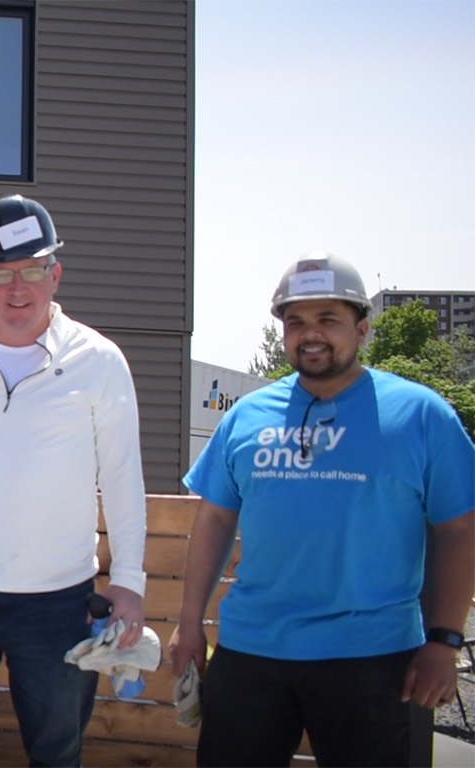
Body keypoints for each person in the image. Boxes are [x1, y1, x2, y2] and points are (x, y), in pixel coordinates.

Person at [169, 252, 475, 767]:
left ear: (361, 328)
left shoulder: (421, 415)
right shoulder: (247, 416)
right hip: (252, 651)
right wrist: (189, 621)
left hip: (372, 658)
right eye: (296, 322)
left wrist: (444, 642)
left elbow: (460, 530)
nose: (310, 334)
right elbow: (216, 519)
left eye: (328, 319)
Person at [0, 194, 148, 767]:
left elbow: (121, 476)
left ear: (55, 274)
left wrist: (130, 582)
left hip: (60, 602)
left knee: (57, 756)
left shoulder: (100, 360)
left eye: (33, 271)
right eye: (2, 274)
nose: (19, 289)